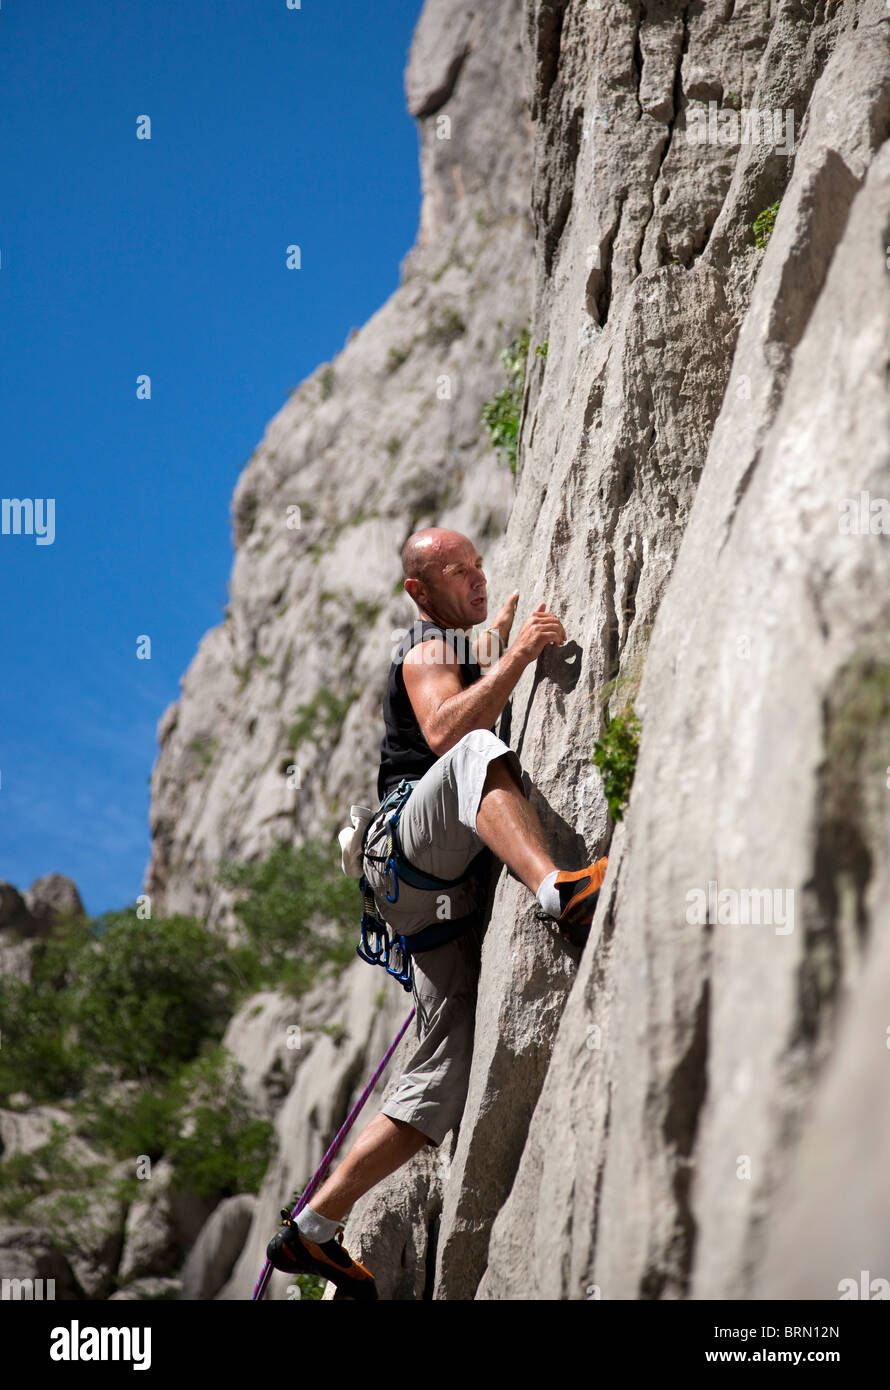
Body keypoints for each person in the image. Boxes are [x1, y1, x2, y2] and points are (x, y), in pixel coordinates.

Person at [265, 528, 608, 1298]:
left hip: (428, 909)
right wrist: (517, 656)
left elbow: (467, 672)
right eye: (456, 571)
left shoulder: (456, 648)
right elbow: (448, 729)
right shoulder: (424, 649)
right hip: (408, 857)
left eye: (478, 565)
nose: (475, 577)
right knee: (471, 752)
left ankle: (313, 1228)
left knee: (440, 1082)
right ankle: (560, 890)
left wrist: (491, 644)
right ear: (420, 592)